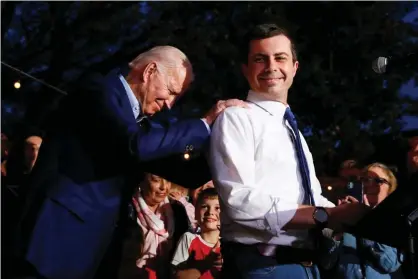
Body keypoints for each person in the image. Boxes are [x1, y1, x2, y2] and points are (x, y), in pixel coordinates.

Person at [12, 45, 247, 279]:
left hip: (92, 250)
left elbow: (187, 174)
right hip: (52, 241)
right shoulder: (98, 90)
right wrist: (204, 123)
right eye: (172, 91)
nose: (170, 105)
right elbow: (134, 145)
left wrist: (228, 143)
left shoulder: (141, 124)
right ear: (149, 71)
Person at [209, 23, 369, 279]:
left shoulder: (293, 131)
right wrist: (326, 215)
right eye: (260, 59)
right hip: (263, 266)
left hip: (307, 265)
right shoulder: (236, 118)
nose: (271, 66)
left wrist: (348, 213)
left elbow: (311, 196)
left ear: (295, 67)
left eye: (280, 58)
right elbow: (239, 201)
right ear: (245, 69)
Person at [325, 163, 404, 279]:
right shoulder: (344, 215)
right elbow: (326, 263)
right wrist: (335, 228)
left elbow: (389, 263)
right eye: (365, 180)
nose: (369, 185)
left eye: (377, 180)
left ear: (390, 189)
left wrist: (367, 221)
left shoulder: (396, 220)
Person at [116, 173, 192, 279]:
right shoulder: (125, 210)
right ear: (141, 182)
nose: (164, 187)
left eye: (168, 180)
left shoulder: (177, 210)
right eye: (156, 180)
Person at [171, 188, 222, 279]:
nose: (210, 212)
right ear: (195, 212)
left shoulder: (229, 244)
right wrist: (206, 263)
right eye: (204, 206)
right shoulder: (188, 238)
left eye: (217, 208)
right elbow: (176, 276)